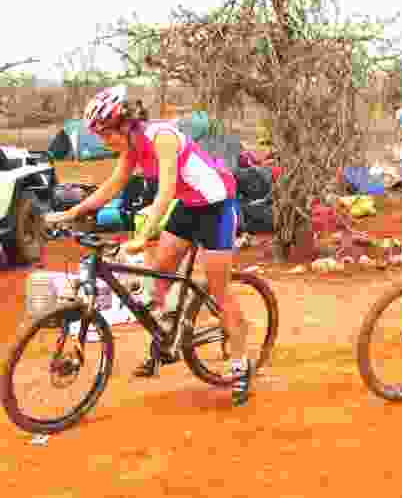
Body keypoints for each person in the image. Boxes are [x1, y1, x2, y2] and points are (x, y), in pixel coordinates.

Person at [44, 86, 256, 406]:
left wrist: (145, 235)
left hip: (217, 208)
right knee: (160, 272)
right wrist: (72, 213)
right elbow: (113, 185)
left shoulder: (162, 137)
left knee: (219, 291)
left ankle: (241, 366)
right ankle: (166, 338)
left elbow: (166, 189)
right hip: (189, 206)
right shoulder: (131, 147)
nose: (104, 142)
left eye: (105, 134)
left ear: (124, 124)